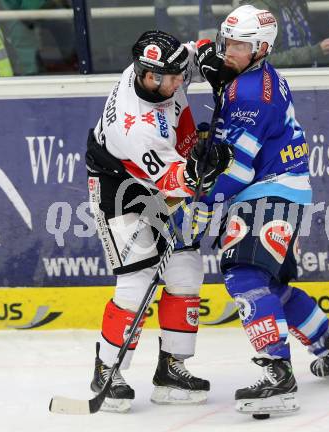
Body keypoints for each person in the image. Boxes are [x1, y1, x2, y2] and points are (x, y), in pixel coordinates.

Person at [195, 5, 329, 416]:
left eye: (238, 45)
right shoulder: (254, 77)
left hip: (267, 193)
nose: (228, 51)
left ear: (261, 48)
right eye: (227, 41)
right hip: (283, 190)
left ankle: (277, 374)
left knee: (245, 276)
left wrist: (202, 205)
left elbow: (238, 167)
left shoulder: (250, 92)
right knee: (273, 286)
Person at [85, 30, 233, 412]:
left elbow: (201, 48)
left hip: (161, 171)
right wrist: (202, 169)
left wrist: (217, 61)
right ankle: (106, 369)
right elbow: (172, 182)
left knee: (186, 269)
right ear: (141, 73)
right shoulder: (136, 126)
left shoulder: (169, 65)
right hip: (120, 188)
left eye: (172, 76)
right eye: (156, 78)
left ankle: (172, 370)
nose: (169, 84)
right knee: (137, 277)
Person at [239, 0, 329, 67]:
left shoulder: (297, 4)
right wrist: (315, 51)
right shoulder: (256, 9)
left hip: (309, 81)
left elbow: (306, 46)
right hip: (279, 91)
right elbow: (257, 62)